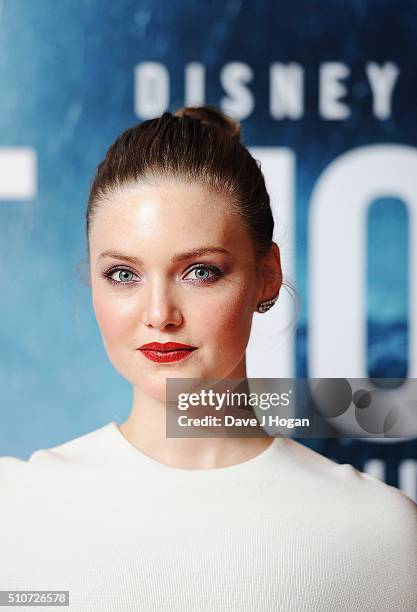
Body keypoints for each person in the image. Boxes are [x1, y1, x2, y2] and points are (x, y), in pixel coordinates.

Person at [0, 106, 416, 612]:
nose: (159, 314)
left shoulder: (381, 536)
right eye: (124, 275)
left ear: (267, 274)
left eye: (200, 271)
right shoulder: (15, 509)